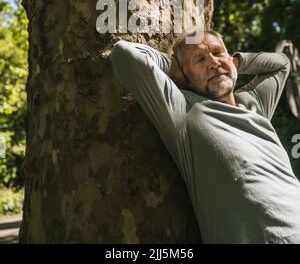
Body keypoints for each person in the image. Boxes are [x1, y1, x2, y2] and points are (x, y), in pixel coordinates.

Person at [109, 26, 300, 244]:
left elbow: (282, 63)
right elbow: (124, 55)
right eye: (199, 59)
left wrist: (233, 62)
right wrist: (175, 67)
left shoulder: (254, 104)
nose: (213, 62)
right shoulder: (184, 110)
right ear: (184, 77)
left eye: (218, 52)